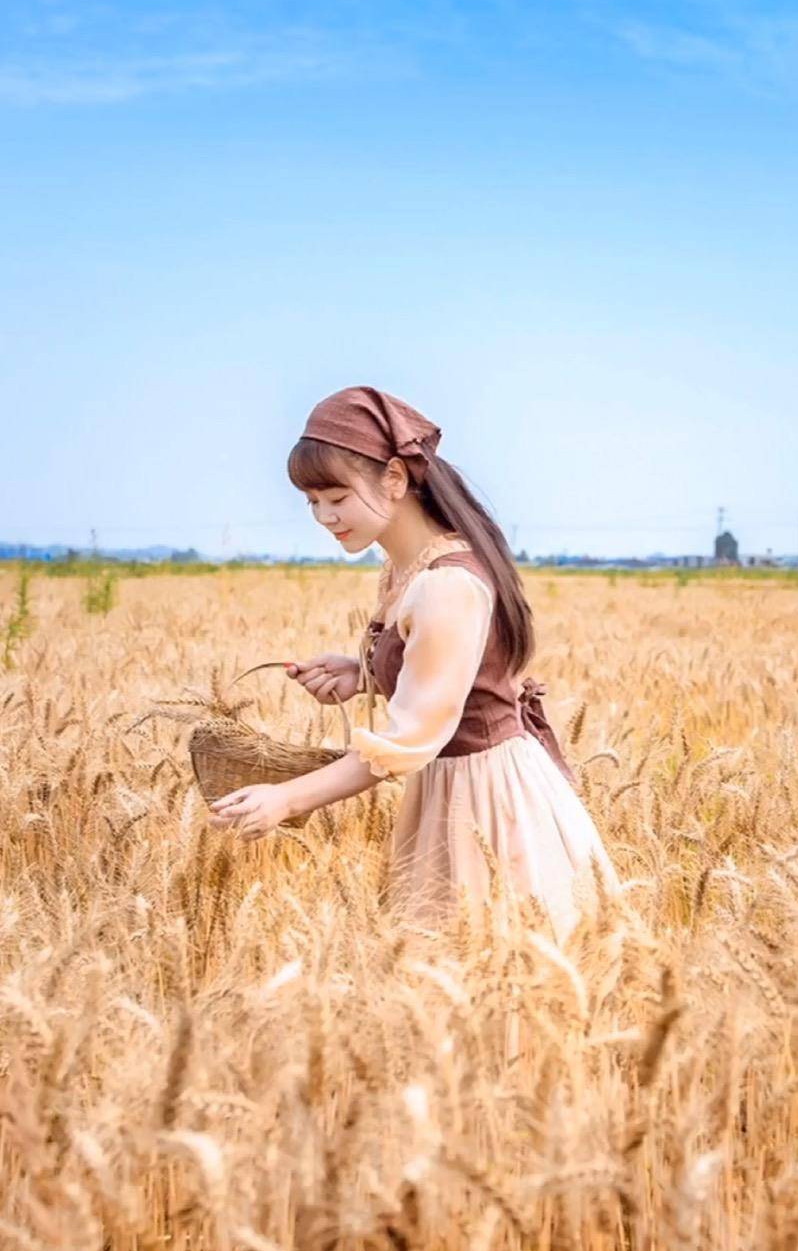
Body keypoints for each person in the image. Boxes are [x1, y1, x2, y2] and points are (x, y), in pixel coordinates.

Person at [209, 385, 621, 941]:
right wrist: (363, 674)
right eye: (312, 502)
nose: (324, 516)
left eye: (336, 496)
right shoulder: (410, 569)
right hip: (451, 790)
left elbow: (405, 744)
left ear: (396, 479)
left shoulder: (445, 585)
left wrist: (286, 798)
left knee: (491, 969)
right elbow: (452, 675)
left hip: (487, 803)